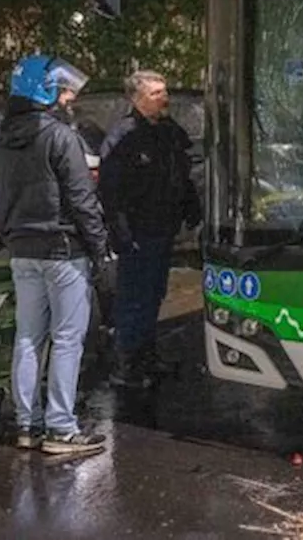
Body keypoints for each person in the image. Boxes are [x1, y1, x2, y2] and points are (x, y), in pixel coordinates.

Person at [0, 54, 109, 456]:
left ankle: (27, 424)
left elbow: (0, 201)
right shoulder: (61, 137)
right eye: (63, 90)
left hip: (22, 250)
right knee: (67, 339)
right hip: (63, 250)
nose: (69, 96)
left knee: (27, 337)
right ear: (47, 93)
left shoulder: (5, 138)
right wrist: (100, 249)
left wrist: (10, 234)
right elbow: (82, 199)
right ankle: (61, 428)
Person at [99, 70, 202, 388]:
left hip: (162, 227)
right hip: (138, 232)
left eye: (164, 91)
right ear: (137, 98)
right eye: (156, 93)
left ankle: (145, 354)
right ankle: (127, 362)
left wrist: (190, 207)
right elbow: (111, 192)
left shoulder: (169, 132)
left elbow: (182, 174)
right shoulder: (124, 137)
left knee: (154, 294)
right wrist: (120, 233)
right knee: (134, 297)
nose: (164, 98)